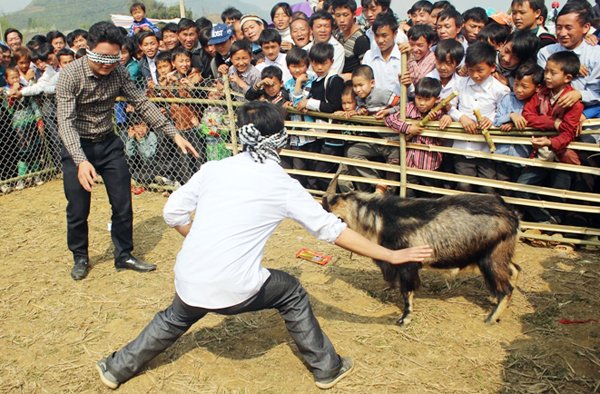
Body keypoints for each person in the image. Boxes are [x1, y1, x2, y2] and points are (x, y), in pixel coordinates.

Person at [95, 100, 433, 390]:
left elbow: (172, 212)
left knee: (174, 317)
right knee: (291, 291)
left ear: (242, 136)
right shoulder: (282, 184)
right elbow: (332, 230)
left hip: (188, 278)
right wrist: (392, 253)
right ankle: (327, 367)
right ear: (281, 140)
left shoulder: (215, 169)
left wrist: (197, 236)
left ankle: (116, 368)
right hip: (233, 288)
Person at [55, 22, 198, 281]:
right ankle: (80, 257)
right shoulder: (70, 75)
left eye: (113, 57)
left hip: (109, 144)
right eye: (101, 58)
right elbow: (64, 122)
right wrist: (79, 160)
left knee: (122, 204)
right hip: (76, 145)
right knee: (77, 208)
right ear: (88, 50)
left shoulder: (119, 72)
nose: (107, 63)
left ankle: (124, 255)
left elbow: (142, 104)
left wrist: (173, 133)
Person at [518, 51, 584, 223]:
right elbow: (527, 115)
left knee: (558, 195)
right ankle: (547, 222)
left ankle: (554, 229)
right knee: (522, 188)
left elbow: (568, 133)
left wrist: (549, 141)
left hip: (563, 156)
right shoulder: (540, 94)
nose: (547, 76)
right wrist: (553, 122)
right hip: (540, 153)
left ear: (568, 77)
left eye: (553, 72)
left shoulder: (574, 103)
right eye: (546, 71)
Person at [448, 41, 510, 194]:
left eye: (480, 70)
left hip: (486, 149)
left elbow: (504, 112)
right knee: (464, 186)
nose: (475, 75)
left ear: (492, 67)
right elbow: (449, 106)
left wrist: (493, 119)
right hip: (463, 147)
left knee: (488, 187)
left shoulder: (501, 89)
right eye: (471, 70)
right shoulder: (459, 83)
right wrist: (461, 117)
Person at [385, 77, 452, 197]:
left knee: (429, 197)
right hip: (410, 164)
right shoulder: (409, 108)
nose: (421, 103)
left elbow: (444, 137)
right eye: (419, 98)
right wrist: (408, 128)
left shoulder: (440, 113)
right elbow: (390, 119)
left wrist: (440, 119)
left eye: (427, 99)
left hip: (430, 164)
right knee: (409, 196)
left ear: (437, 99)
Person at [537, 1, 600, 108]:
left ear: (585, 27)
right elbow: (543, 83)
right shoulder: (545, 53)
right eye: (559, 27)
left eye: (568, 28)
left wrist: (580, 95)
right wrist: (570, 69)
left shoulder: (596, 55)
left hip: (586, 119)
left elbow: (596, 93)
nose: (562, 33)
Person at [492, 63, 542, 184]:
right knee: (501, 187)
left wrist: (515, 125)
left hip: (522, 156)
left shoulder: (539, 103)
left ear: (537, 87)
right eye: (516, 84)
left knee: (518, 187)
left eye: (524, 86)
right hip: (502, 154)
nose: (519, 89)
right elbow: (497, 121)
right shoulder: (508, 98)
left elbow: (539, 123)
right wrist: (510, 116)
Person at [362, 12, 404, 95]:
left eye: (384, 35)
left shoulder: (403, 56)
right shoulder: (369, 56)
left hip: (399, 106)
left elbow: (412, 92)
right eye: (377, 35)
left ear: (395, 34)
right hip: (374, 106)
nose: (380, 40)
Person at [332, 0, 370, 79]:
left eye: (345, 15)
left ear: (354, 14)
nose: (342, 20)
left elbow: (366, 72)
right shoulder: (338, 36)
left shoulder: (361, 40)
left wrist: (349, 76)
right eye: (338, 15)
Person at [304, 11, 346, 75]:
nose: (323, 30)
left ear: (332, 28)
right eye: (319, 26)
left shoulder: (338, 49)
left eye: (326, 26)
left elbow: (334, 73)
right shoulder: (305, 49)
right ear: (311, 29)